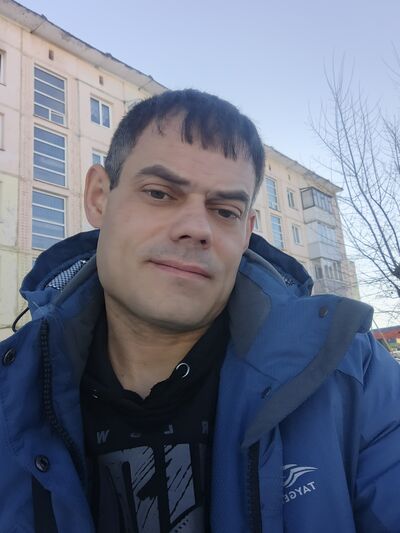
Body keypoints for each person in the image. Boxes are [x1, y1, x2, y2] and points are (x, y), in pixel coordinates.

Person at [0, 89, 399, 533]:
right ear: (99, 197)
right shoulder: (11, 393)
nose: (196, 228)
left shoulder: (351, 378)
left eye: (225, 211)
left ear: (246, 232)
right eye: (159, 193)